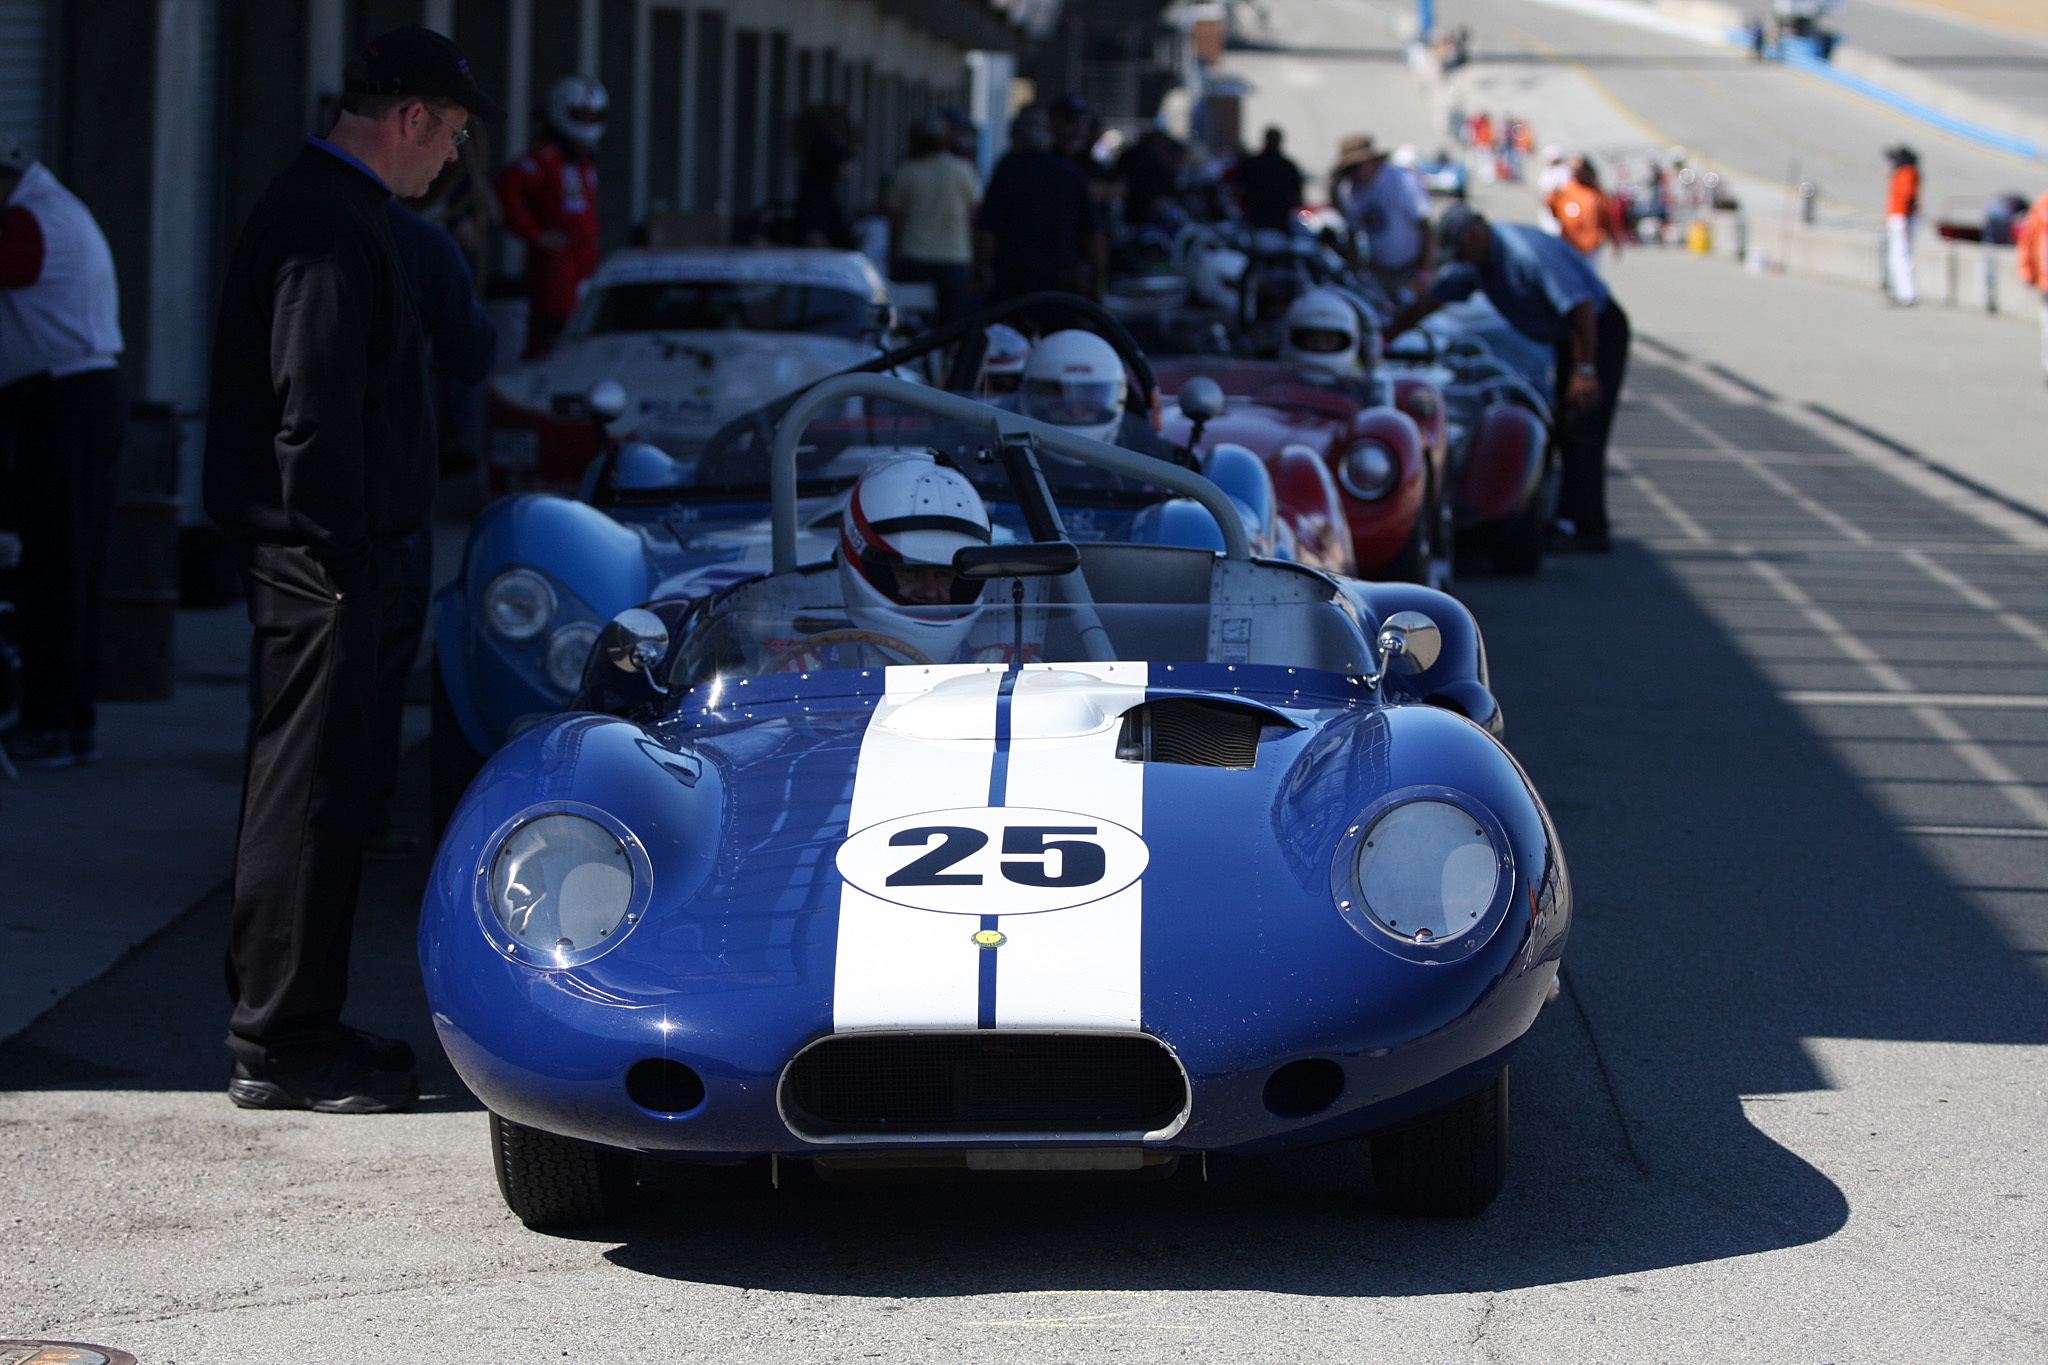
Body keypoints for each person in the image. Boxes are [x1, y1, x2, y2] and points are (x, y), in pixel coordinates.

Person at [204, 24, 502, 1113]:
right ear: (410, 119)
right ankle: (283, 1040)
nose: (453, 159)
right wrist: (341, 559)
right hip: (321, 565)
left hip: (324, 559)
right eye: (453, 133)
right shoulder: (327, 225)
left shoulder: (339, 212)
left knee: (315, 794)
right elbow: (313, 413)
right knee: (311, 798)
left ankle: (288, 1019)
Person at [367, 196, 498, 858]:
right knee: (381, 659)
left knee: (296, 675)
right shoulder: (420, 245)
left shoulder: (282, 219)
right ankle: (362, 820)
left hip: (296, 499)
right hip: (386, 496)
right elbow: (473, 354)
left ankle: (292, 823)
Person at [1389, 204, 1630, 553]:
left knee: (1583, 428)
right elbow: (1433, 300)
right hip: (1569, 338)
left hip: (1595, 332)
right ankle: (1562, 518)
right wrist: (1387, 334)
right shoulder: (1480, 264)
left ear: (1474, 234)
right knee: (1563, 425)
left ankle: (1585, 526)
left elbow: (1581, 308)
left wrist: (1585, 370)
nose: (1462, 259)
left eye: (1461, 250)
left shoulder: (1524, 252)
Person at [0, 135, 125, 770]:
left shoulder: (30, 222)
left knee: (56, 567)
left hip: (63, 403)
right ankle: (69, 722)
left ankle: (51, 724)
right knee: (72, 564)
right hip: (81, 397)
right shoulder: (55, 209)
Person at [496, 75, 604, 356]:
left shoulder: (583, 157)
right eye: (582, 115)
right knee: (550, 336)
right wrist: (534, 234)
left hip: (585, 262)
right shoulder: (543, 158)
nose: (589, 123)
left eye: (595, 116)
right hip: (556, 266)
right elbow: (504, 191)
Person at [976, 108, 1104, 302]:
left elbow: (988, 229)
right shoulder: (1070, 172)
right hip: (1062, 276)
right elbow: (1093, 233)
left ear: (1014, 137)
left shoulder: (1007, 170)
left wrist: (980, 267)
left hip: (1013, 278)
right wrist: (1098, 279)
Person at [1018, 329, 1182, 464]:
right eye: (1058, 399)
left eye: (1090, 398)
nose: (1077, 412)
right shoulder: (998, 442)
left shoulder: (1144, 446)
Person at [885, 115, 980, 328]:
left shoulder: (906, 171)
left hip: (914, 256)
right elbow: (973, 214)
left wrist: (893, 257)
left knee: (913, 325)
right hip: (955, 258)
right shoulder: (962, 170)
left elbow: (895, 220)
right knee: (951, 325)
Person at [1334, 138, 1435, 296]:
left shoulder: (1401, 180)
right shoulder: (1348, 190)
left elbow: (1426, 227)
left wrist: (1423, 273)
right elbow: (1352, 234)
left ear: (1372, 161)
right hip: (1378, 269)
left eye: (1359, 165)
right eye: (1351, 168)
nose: (1356, 172)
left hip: (1412, 264)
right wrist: (1355, 274)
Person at [1280, 288, 1376, 396]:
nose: (1320, 345)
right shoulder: (1278, 387)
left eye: (1329, 340)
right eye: (1312, 339)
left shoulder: (1359, 393)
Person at [793, 103, 860, 251]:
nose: (849, 168)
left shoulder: (826, 188)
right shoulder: (818, 191)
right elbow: (814, 236)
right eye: (845, 161)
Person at [1550, 155, 1619, 263]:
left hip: (1591, 247)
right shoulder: (1567, 189)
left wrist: (1614, 240)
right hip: (1569, 244)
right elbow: (1553, 209)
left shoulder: (1596, 193)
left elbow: (1607, 218)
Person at [1236, 127, 1304, 233]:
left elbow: (1238, 190)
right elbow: (1297, 197)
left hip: (1255, 219)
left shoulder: (1251, 163)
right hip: (1275, 220)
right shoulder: (1288, 166)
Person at [2016, 190, 2048, 386]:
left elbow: (2027, 238)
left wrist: (2027, 269)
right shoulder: (2041, 205)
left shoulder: (2041, 204)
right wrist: (2027, 269)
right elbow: (2029, 238)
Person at [1885, 145, 1919, 306]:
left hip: (1902, 218)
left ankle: (1907, 293)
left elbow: (1907, 197)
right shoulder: (1902, 172)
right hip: (1897, 217)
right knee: (1895, 257)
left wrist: (1904, 220)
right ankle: (1898, 290)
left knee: (1902, 256)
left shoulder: (1907, 172)